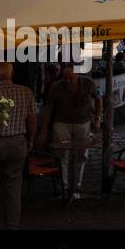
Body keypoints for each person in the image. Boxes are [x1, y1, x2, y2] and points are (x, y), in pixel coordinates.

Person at [38, 62, 101, 198]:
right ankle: (65, 186)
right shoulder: (57, 87)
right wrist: (44, 130)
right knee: (62, 154)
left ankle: (77, 185)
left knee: (81, 154)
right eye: (65, 78)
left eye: (70, 78)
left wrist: (97, 117)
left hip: (82, 122)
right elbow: (48, 108)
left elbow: (98, 98)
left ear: (77, 76)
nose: (68, 81)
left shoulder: (88, 83)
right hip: (62, 123)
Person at [0, 62, 37, 230]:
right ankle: (12, 225)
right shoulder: (25, 92)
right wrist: (30, 139)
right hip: (17, 143)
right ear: (12, 73)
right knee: (13, 187)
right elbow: (32, 120)